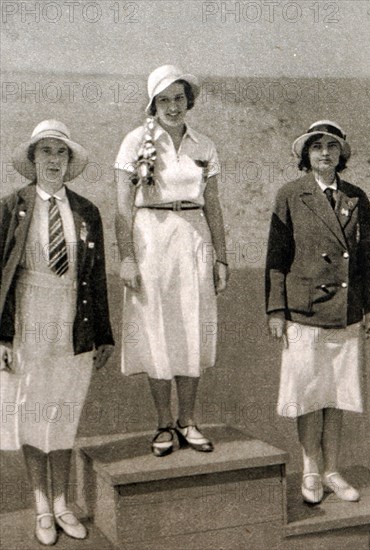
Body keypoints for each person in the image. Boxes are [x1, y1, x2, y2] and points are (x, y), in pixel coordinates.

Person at [0, 120, 114, 545]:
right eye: (44, 152)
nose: (53, 159)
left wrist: (103, 334)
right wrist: (1, 337)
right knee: (31, 409)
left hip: (74, 317)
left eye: (60, 152)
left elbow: (95, 278)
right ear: (33, 161)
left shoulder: (87, 212)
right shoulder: (11, 208)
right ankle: (41, 506)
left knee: (63, 410)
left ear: (69, 162)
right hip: (28, 315)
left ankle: (63, 501)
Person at [115, 65, 229, 457]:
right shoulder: (134, 143)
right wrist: (127, 257)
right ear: (153, 104)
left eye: (179, 98)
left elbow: (213, 206)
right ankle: (164, 422)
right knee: (156, 328)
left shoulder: (205, 146)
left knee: (191, 325)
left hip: (194, 239)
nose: (173, 107)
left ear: (189, 101)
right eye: (164, 100)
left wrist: (222, 258)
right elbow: (120, 209)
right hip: (150, 239)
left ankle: (188, 419)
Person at [265, 120, 370, 504]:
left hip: (345, 312)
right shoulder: (290, 196)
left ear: (341, 154)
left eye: (332, 146)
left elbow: (367, 257)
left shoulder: (358, 197)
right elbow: (276, 259)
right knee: (309, 395)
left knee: (336, 395)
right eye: (316, 147)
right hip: (303, 312)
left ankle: (332, 470)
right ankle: (310, 470)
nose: (324, 153)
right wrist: (276, 310)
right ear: (305, 155)